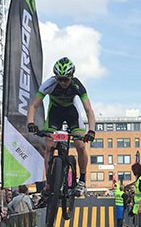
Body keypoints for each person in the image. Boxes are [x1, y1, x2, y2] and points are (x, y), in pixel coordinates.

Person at [25, 56, 97, 198]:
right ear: (55, 77)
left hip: (71, 112)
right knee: (49, 145)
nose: (63, 83)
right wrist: (30, 123)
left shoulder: (77, 85)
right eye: (60, 79)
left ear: (71, 77)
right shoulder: (49, 84)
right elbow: (33, 105)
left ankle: (82, 180)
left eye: (66, 80)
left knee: (80, 145)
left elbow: (88, 110)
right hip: (55, 113)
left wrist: (91, 131)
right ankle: (49, 182)